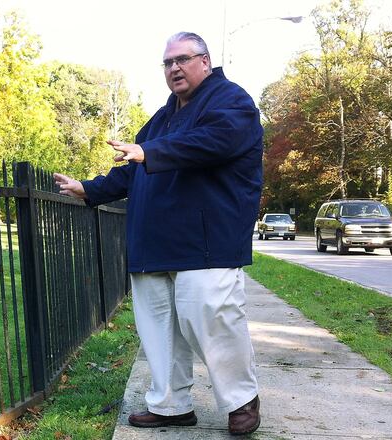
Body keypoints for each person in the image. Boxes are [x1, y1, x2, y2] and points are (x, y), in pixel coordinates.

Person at [54, 32, 263, 435]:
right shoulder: (164, 116)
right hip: (154, 242)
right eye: (167, 63)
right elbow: (133, 167)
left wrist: (150, 152)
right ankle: (170, 405)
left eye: (182, 59)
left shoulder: (231, 101)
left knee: (211, 316)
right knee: (159, 328)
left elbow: (214, 142)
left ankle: (241, 400)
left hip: (207, 240)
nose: (174, 68)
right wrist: (90, 188)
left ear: (205, 61)